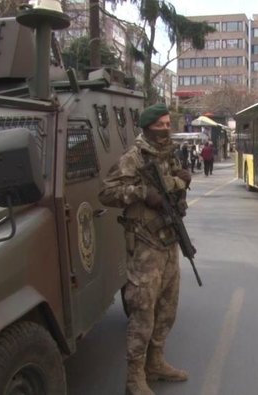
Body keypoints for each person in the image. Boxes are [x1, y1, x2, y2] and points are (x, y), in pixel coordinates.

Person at [99, 103, 191, 395]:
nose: (166, 128)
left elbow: (174, 182)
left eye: (168, 123)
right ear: (148, 126)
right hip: (145, 246)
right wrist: (142, 193)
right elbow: (107, 192)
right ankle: (134, 378)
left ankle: (156, 363)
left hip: (168, 240)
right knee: (143, 313)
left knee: (167, 309)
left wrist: (182, 181)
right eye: (161, 124)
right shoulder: (134, 157)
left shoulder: (168, 154)